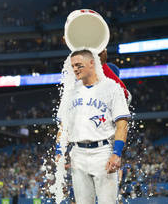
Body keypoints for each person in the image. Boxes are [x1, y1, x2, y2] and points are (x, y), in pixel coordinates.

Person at [56, 49, 131, 204]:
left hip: (102, 152)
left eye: (78, 65)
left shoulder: (112, 87)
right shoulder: (69, 91)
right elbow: (63, 127)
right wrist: (59, 152)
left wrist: (116, 153)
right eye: (73, 66)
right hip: (77, 153)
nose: (75, 69)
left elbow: (122, 124)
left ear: (92, 63)